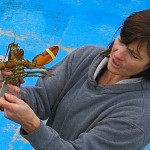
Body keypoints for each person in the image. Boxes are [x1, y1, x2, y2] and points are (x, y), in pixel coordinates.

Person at [0, 9, 150, 150]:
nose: (117, 54)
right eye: (122, 41)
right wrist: (4, 89)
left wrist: (32, 125)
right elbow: (41, 99)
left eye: (133, 54)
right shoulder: (86, 56)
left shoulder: (137, 120)